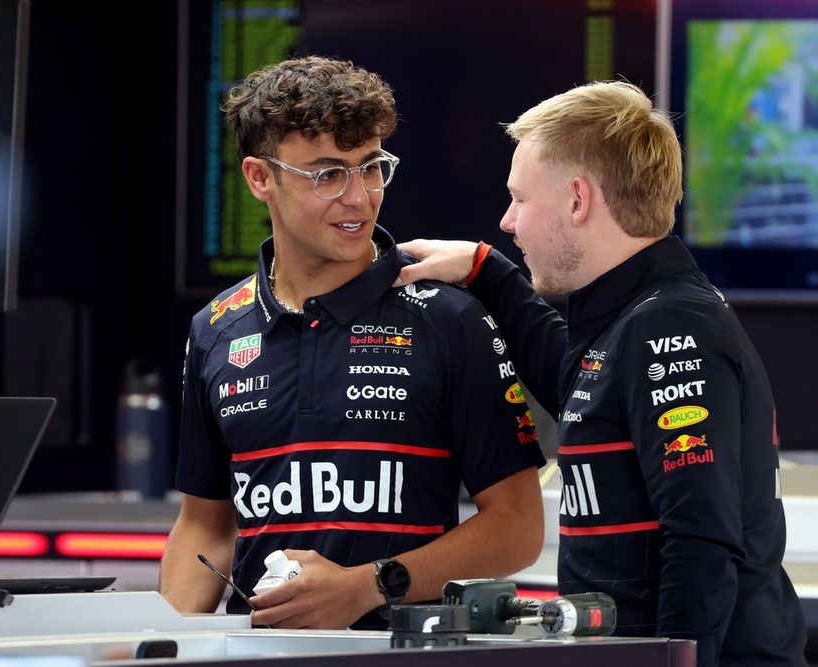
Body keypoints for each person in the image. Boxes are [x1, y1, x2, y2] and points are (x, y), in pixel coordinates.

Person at [395, 81, 806, 665]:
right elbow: (575, 385)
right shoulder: (635, 318)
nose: (508, 222)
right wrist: (488, 272)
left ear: (577, 200)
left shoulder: (667, 324)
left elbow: (701, 542)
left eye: (519, 199)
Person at [160, 56, 545, 630]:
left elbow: (518, 527)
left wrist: (368, 586)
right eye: (327, 175)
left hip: (404, 653)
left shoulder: (450, 318)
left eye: (371, 168)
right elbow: (203, 525)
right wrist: (165, 643)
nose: (359, 197)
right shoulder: (214, 329)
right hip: (255, 652)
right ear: (260, 178)